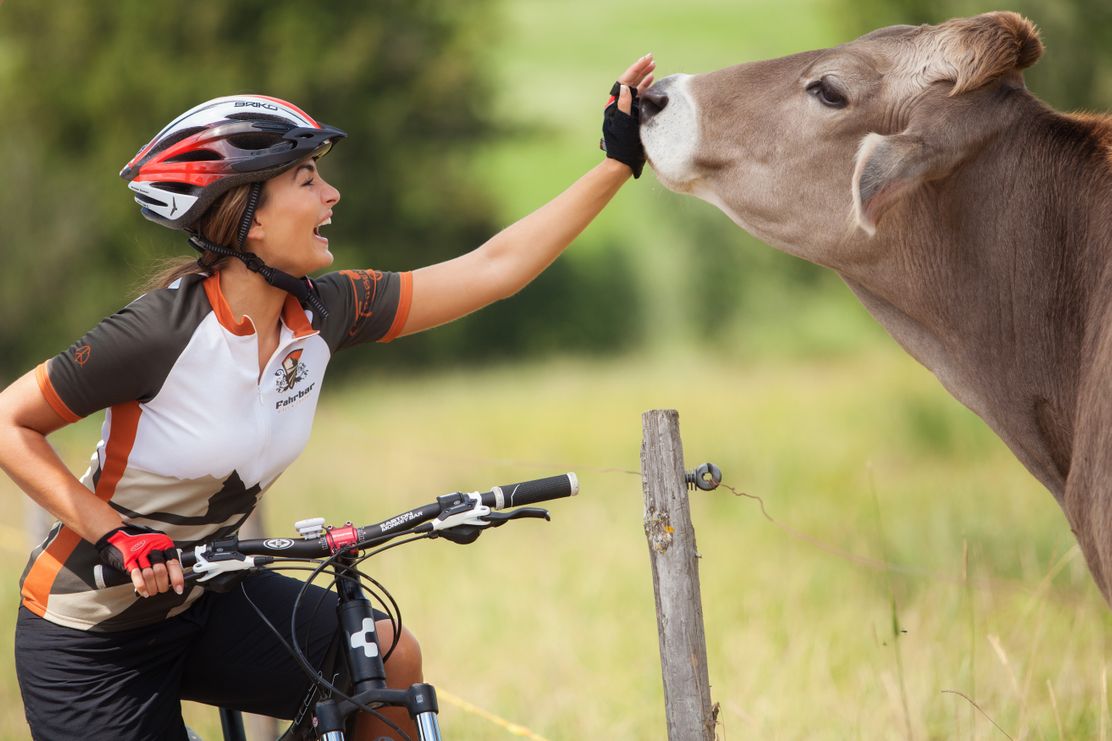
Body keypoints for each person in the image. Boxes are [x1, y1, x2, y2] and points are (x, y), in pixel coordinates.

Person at [0, 54, 656, 741]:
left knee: (383, 655)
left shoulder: (328, 310)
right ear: (250, 219)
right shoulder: (160, 332)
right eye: (307, 180)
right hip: (92, 639)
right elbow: (14, 422)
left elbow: (493, 269)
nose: (332, 195)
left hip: (207, 602)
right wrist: (118, 533)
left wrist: (616, 163)